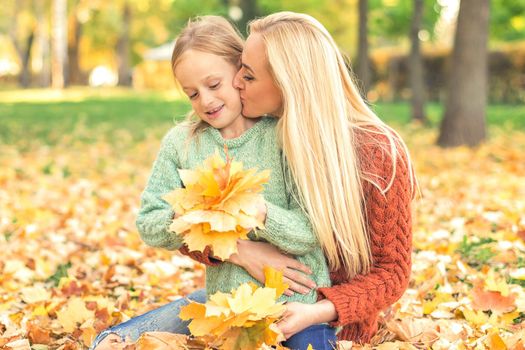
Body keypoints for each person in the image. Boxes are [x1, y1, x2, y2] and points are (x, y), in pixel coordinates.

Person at [90, 15, 336, 350]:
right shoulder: (183, 143)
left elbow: (309, 231)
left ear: (240, 71)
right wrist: (224, 239)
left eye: (214, 85)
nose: (205, 101)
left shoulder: (281, 135)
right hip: (227, 312)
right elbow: (150, 222)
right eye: (192, 93)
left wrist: (259, 212)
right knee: (110, 343)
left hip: (296, 305)